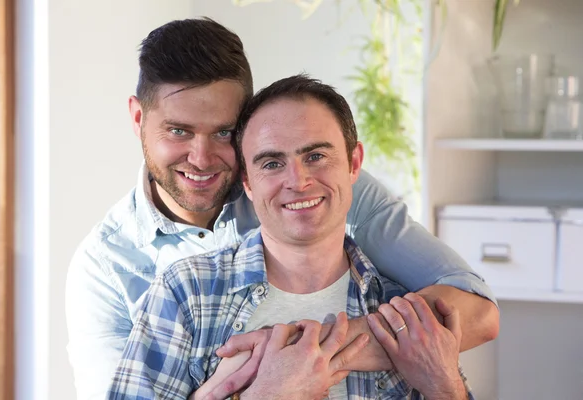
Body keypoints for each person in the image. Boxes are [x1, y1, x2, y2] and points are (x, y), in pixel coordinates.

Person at [65, 18, 498, 400]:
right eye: (178, 130)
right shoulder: (122, 273)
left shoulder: (334, 199)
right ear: (139, 118)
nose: (201, 157)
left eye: (223, 133)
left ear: (352, 165)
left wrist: (307, 351)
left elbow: (478, 310)